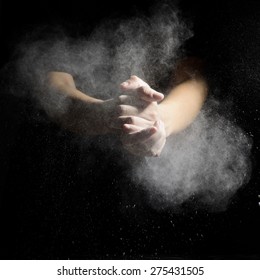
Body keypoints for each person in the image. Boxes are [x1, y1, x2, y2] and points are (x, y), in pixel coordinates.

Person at [45, 58, 208, 157]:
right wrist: (104, 113)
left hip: (156, 174)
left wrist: (158, 120)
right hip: (71, 155)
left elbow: (196, 80)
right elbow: (50, 80)